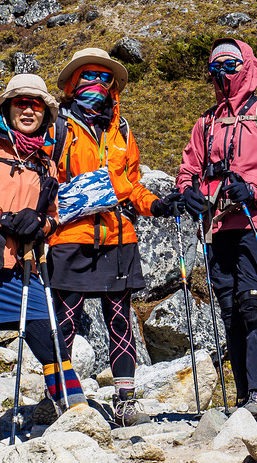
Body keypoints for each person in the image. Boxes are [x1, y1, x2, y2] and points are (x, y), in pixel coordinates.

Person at [0, 73, 88, 463]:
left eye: (36, 104)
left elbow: (54, 215)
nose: (28, 108)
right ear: (7, 107)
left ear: (45, 113)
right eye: (21, 102)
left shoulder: (46, 161)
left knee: (51, 344)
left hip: (21, 268)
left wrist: (40, 225)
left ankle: (79, 423)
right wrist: (2, 217)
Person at [46, 48, 180, 427]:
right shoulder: (56, 128)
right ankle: (59, 396)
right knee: (65, 321)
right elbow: (43, 180)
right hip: (70, 235)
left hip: (119, 236)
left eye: (104, 79)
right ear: (73, 84)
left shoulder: (121, 131)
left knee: (120, 320)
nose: (97, 86)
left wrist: (155, 205)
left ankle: (125, 402)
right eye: (88, 77)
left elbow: (132, 185)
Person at [176, 39, 257, 420]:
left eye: (229, 65)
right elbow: (188, 170)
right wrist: (188, 194)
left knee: (253, 302)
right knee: (228, 310)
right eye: (215, 68)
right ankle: (245, 398)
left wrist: (254, 187)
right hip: (217, 226)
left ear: (246, 66)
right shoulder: (205, 123)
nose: (222, 74)